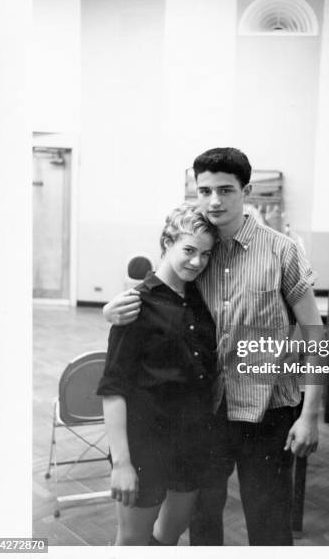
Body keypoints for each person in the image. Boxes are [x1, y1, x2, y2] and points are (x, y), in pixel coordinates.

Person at [103, 148, 324, 545]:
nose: (214, 201)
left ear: (247, 191)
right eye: (204, 191)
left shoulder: (281, 250)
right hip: (208, 413)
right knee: (203, 522)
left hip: (268, 410)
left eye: (225, 190)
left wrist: (311, 414)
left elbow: (315, 332)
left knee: (269, 522)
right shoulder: (199, 248)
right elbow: (161, 294)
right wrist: (114, 307)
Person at [97, 204, 218, 545]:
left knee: (169, 536)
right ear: (166, 244)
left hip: (192, 441)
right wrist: (121, 464)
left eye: (205, 254)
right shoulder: (135, 305)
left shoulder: (200, 298)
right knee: (133, 541)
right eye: (189, 250)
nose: (197, 262)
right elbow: (113, 389)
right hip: (144, 444)